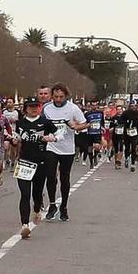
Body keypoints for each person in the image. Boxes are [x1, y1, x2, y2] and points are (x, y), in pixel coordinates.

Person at [8, 94, 53, 237]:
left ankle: (37, 207)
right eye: (31, 107)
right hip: (24, 162)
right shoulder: (21, 123)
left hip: (41, 162)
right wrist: (14, 141)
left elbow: (60, 133)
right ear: (25, 109)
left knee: (37, 194)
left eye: (36, 106)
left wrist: (52, 137)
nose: (34, 109)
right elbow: (15, 137)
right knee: (25, 194)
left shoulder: (45, 122)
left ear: (40, 108)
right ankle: (25, 225)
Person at [39, 83, 85, 220]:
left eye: (61, 97)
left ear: (66, 96)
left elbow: (84, 124)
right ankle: (52, 205)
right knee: (51, 176)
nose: (58, 99)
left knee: (65, 178)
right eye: (56, 96)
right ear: (51, 96)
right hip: (51, 146)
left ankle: (64, 206)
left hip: (67, 148)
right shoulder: (47, 108)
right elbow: (41, 123)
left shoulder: (73, 108)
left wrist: (75, 126)